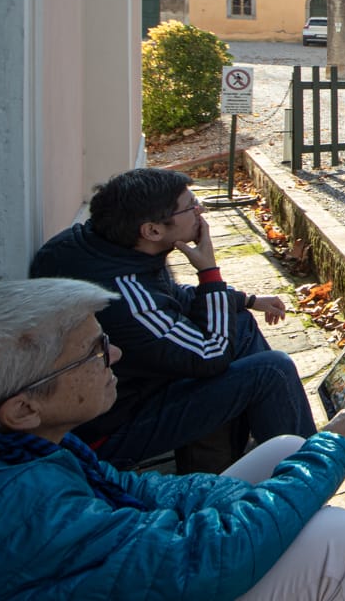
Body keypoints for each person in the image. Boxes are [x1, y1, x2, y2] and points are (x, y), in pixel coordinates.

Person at [0, 277, 345, 600]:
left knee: (287, 451)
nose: (115, 355)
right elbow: (200, 563)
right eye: (94, 351)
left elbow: (139, 492)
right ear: (22, 408)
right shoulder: (8, 510)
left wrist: (298, 472)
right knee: (333, 536)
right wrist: (331, 452)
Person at [29, 168, 316, 469]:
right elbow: (210, 354)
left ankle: (249, 448)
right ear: (152, 231)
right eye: (191, 207)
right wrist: (209, 272)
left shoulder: (104, 246)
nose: (200, 210)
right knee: (273, 371)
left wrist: (247, 300)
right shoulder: (126, 296)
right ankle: (306, 473)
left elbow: (170, 298)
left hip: (131, 384)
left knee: (239, 322)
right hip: (110, 430)